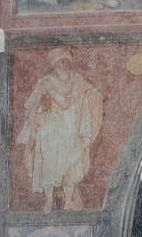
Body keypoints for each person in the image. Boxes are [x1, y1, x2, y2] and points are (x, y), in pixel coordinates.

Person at [17, 48, 103, 212]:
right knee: (49, 165)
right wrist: (34, 128)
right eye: (59, 62)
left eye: (65, 61)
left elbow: (90, 94)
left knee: (71, 165)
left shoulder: (77, 81)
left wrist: (95, 94)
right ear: (54, 64)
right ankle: (49, 199)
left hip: (70, 127)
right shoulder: (45, 83)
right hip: (51, 129)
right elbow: (33, 106)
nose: (62, 65)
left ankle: (69, 200)